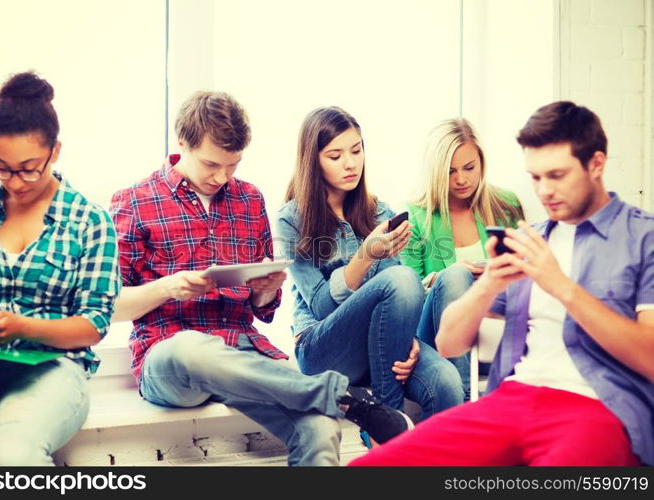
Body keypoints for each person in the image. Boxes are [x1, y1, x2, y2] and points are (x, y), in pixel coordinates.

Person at [108, 91, 412, 466]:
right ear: (182, 142)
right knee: (190, 348)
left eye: (233, 165)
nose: (222, 177)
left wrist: (265, 292)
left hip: (241, 353)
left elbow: (262, 311)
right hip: (169, 355)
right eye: (211, 164)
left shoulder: (249, 199)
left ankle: (334, 403)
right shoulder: (135, 201)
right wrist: (168, 287)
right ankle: (342, 396)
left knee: (320, 428)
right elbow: (108, 306)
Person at [349, 101, 653, 466]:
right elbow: (447, 343)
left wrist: (560, 285)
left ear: (596, 164)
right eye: (535, 178)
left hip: (597, 405)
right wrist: (489, 282)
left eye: (557, 176)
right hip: (511, 401)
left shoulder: (642, 237)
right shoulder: (530, 238)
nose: (544, 192)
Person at [0, 72, 120, 466]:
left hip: (51, 368)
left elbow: (94, 324)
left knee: (11, 457)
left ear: (55, 151)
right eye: (2, 167)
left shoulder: (89, 221)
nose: (16, 182)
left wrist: (24, 327)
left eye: (29, 167)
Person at [277, 106, 464, 432]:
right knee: (402, 277)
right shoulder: (291, 220)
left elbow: (400, 298)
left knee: (446, 382)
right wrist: (365, 255)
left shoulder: (381, 212)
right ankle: (386, 429)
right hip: (323, 350)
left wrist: (410, 339)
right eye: (335, 156)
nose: (350, 163)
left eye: (356, 150)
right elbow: (321, 306)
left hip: (381, 344)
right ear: (313, 160)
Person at [402, 118, 524, 398]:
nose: (461, 179)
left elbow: (525, 274)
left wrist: (493, 276)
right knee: (456, 276)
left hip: (494, 321)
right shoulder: (417, 217)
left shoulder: (506, 206)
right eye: (450, 171)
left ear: (481, 162)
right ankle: (466, 403)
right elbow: (406, 295)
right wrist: (443, 278)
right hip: (438, 332)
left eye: (469, 168)